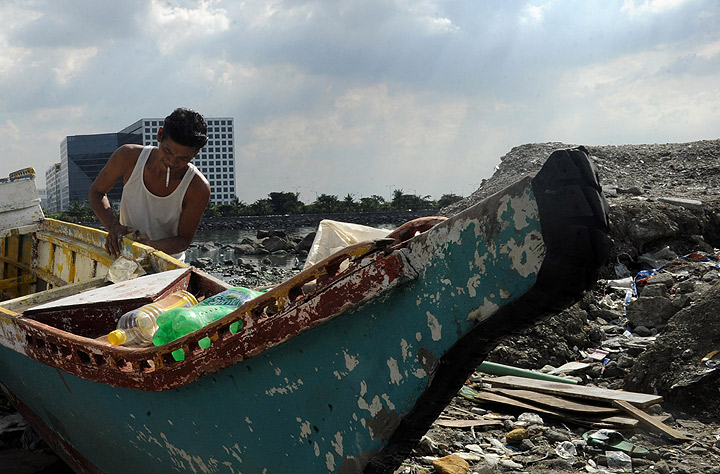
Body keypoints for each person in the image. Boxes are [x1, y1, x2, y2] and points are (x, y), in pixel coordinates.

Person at [89, 107, 210, 261]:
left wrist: (152, 246)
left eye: (183, 158)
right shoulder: (128, 157)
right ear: (160, 135)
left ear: (195, 154)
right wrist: (114, 226)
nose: (172, 161)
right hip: (125, 256)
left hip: (168, 263)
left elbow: (183, 240)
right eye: (168, 151)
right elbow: (96, 192)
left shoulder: (198, 187)